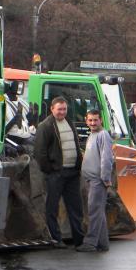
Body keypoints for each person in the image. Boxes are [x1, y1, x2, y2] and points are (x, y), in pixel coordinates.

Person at [34, 96, 84, 248]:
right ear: (52, 109)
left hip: (72, 173)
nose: (62, 112)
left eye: (64, 109)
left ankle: (79, 240)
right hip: (57, 173)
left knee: (75, 208)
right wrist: (51, 170)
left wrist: (78, 165)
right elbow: (39, 153)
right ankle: (56, 239)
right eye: (59, 109)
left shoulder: (69, 122)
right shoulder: (45, 126)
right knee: (52, 207)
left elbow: (75, 144)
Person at [77, 109, 112, 252]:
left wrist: (105, 178)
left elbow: (107, 158)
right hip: (90, 179)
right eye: (90, 120)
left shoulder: (103, 135)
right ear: (86, 121)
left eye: (95, 120)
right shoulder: (92, 134)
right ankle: (103, 243)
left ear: (101, 120)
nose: (92, 123)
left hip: (98, 180)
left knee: (94, 211)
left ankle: (90, 243)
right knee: (98, 212)